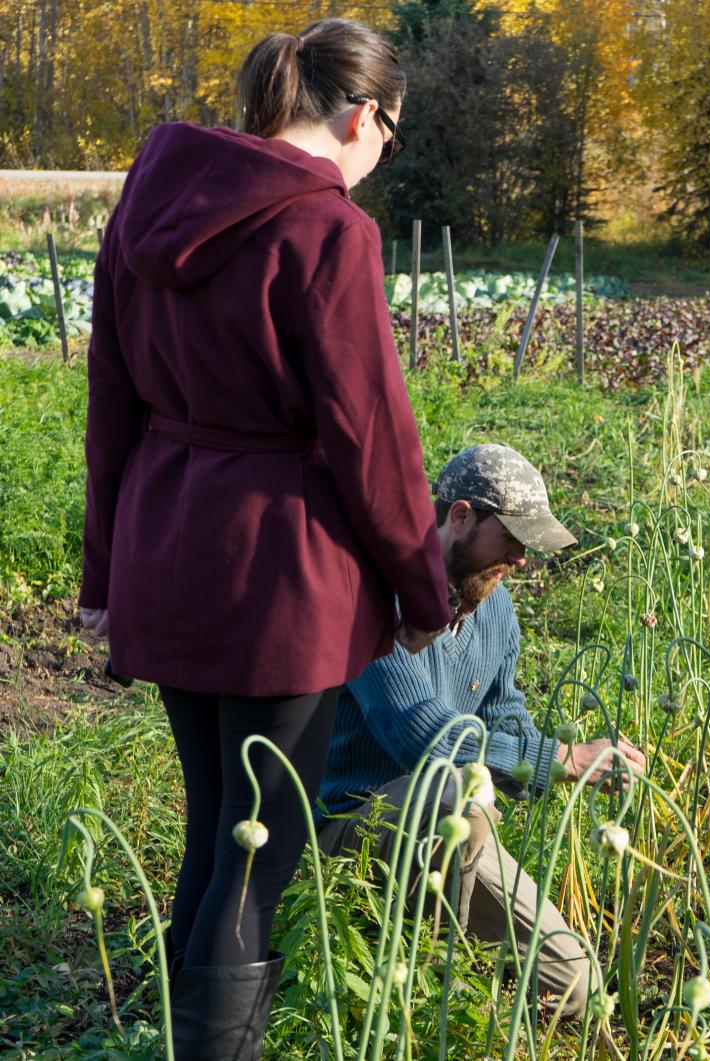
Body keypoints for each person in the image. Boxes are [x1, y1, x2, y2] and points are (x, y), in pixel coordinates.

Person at [79, 20, 450, 1060]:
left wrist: (104, 564)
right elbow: (370, 435)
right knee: (257, 854)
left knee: (215, 831)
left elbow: (111, 398)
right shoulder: (329, 232)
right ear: (360, 116)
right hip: (279, 579)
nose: (382, 158)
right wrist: (424, 589)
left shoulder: (147, 204)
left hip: (167, 545)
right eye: (391, 135)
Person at [316, 443, 648, 1025]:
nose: (522, 560)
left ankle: (442, 956)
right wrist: (563, 758)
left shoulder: (494, 607)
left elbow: (506, 718)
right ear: (461, 516)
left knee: (577, 985)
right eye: (513, 539)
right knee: (457, 792)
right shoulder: (375, 596)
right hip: (353, 825)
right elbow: (422, 742)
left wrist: (555, 760)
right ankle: (415, 976)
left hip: (456, 825)